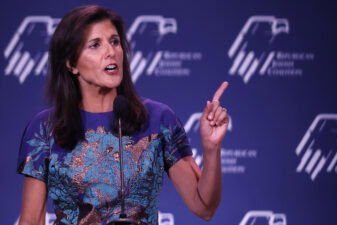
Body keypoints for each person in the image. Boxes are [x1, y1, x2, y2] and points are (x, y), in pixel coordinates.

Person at [17, 5, 229, 225]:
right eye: (95, 45)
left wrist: (211, 149)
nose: (111, 52)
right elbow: (31, 220)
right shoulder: (44, 128)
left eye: (115, 42)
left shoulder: (158, 119)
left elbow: (204, 207)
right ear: (72, 64)